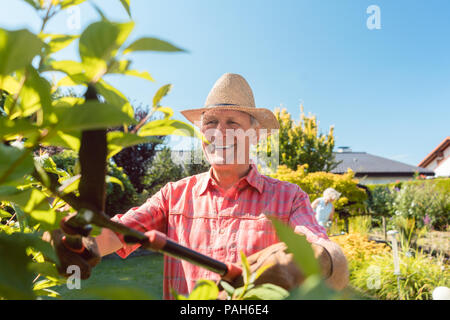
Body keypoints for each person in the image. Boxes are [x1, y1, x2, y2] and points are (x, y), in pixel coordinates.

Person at [49, 73, 349, 299]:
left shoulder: (289, 197)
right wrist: (75, 241)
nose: (219, 132)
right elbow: (118, 233)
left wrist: (307, 262)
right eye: (210, 123)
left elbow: (329, 256)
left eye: (232, 123)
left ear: (255, 137)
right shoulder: (174, 196)